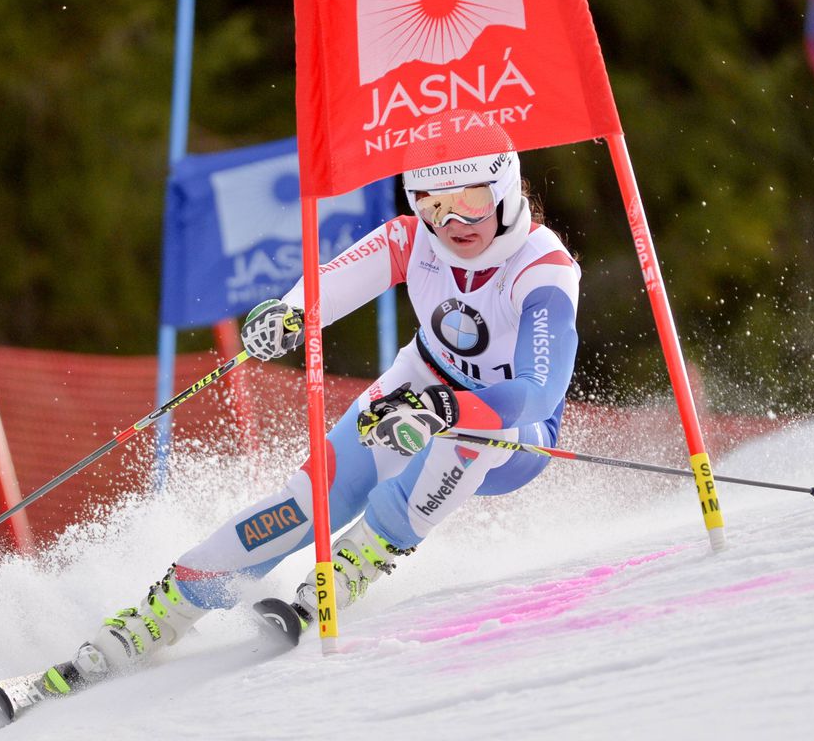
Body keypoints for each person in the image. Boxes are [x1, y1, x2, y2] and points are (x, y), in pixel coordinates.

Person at [41, 143, 580, 695]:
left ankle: (361, 557)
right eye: (432, 203)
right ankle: (166, 611)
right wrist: (290, 313)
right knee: (311, 499)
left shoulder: (541, 268)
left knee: (469, 435)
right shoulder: (412, 240)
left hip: (513, 430)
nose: (453, 221)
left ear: (507, 191)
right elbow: (334, 281)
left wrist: (444, 409)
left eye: (470, 200)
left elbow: (538, 393)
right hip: (422, 382)